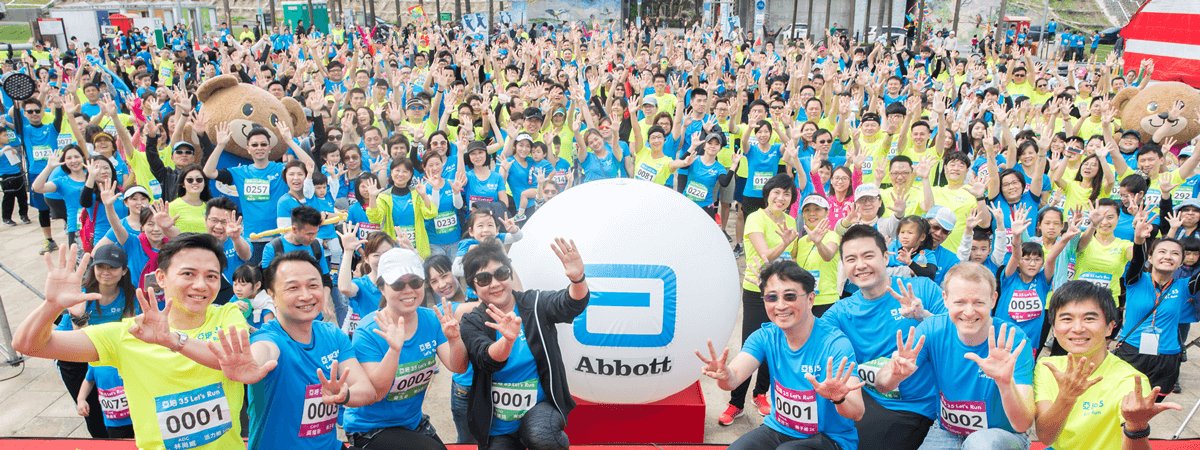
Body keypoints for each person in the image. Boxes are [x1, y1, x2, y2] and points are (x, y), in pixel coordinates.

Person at [12, 235, 249, 450]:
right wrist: (51, 305)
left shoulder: (227, 316)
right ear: (161, 278)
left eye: (211, 276)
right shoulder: (129, 333)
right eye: (188, 274)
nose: (200, 285)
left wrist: (172, 340)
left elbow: (232, 363)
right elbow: (29, 345)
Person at [202, 250, 379, 449]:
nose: (306, 295)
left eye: (313, 285)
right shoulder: (268, 338)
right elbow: (263, 353)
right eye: (292, 288)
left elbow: (367, 392)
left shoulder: (333, 335)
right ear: (272, 296)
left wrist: (344, 394)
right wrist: (250, 363)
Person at [697, 260, 864, 450]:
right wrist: (725, 375)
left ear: (810, 299)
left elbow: (857, 412)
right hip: (779, 429)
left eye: (790, 297)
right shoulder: (765, 336)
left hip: (829, 438)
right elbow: (731, 380)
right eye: (772, 298)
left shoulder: (836, 345)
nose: (780, 306)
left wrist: (838, 398)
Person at [875, 263, 1036, 448]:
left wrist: (1005, 384)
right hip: (947, 430)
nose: (968, 312)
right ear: (945, 299)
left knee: (980, 443)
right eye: (960, 302)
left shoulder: (1013, 341)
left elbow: (1023, 424)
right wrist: (894, 375)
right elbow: (882, 385)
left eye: (979, 302)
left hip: (1003, 435)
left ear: (993, 300)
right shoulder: (932, 329)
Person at [823, 224, 947, 450]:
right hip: (864, 398)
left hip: (911, 408)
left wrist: (924, 316)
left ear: (886, 256)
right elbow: (812, 342)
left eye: (868, 256)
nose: (860, 265)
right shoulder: (841, 311)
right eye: (851, 259)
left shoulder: (923, 289)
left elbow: (959, 335)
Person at [459, 237, 589, 449]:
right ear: (473, 288)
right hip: (498, 425)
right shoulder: (472, 321)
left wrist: (577, 279)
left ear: (510, 275)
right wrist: (507, 341)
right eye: (483, 279)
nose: (495, 284)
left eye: (501, 274)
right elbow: (486, 359)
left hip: (540, 407)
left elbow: (570, 305)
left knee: (542, 437)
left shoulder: (534, 303)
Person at [1034, 281, 1182, 450]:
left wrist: (1135, 428)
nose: (1077, 328)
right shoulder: (1048, 367)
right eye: (1067, 319)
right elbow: (1046, 437)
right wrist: (1065, 398)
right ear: (1053, 328)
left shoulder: (1129, 381)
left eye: (1089, 318)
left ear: (1110, 327)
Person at [344, 248, 469, 448]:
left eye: (415, 282)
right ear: (382, 288)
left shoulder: (431, 319)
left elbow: (459, 367)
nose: (408, 290)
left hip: (412, 422)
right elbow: (377, 393)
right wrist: (394, 351)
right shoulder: (368, 331)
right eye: (398, 284)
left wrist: (455, 340)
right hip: (370, 427)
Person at [725, 174, 800, 425]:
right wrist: (786, 242)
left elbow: (793, 260)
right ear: (767, 194)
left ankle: (761, 394)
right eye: (776, 192)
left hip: (781, 293)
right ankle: (735, 403)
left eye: (787, 194)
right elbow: (765, 255)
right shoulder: (755, 217)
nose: (781, 198)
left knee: (775, 343)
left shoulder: (790, 221)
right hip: (756, 291)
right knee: (751, 345)